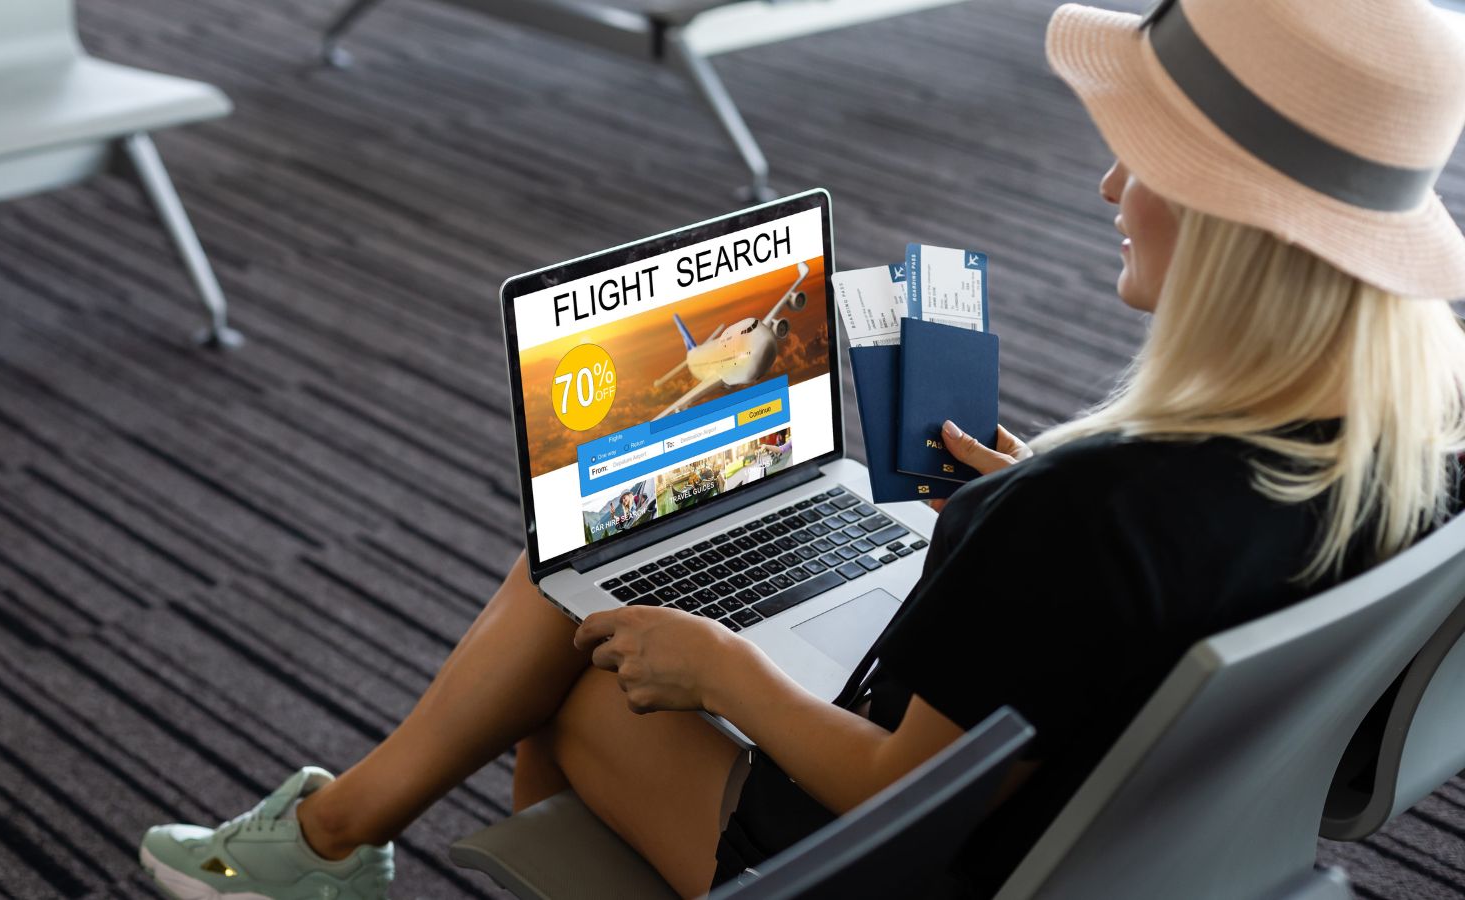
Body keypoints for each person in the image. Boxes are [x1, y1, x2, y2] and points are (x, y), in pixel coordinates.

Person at [139, 0, 1465, 897]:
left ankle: (327, 842)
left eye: (1143, 162)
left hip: (903, 870)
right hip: (1165, 855)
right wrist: (1026, 543)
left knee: (586, 614)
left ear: (1235, 225)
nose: (1110, 190)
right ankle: (335, 836)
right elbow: (1180, 591)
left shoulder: (1091, 515)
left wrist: (722, 665)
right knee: (602, 588)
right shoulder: (1421, 449)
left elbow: (908, 789)